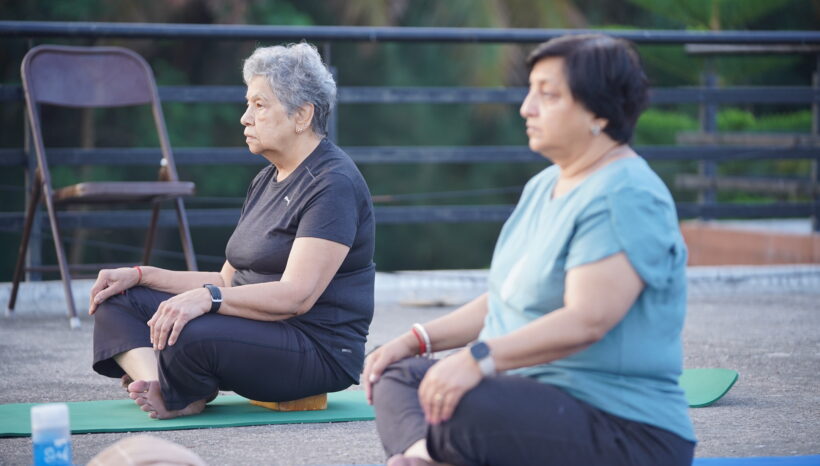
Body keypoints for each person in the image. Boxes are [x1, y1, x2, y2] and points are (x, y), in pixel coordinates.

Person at [364, 34, 696, 466]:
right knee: (396, 374)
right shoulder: (544, 185)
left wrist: (479, 359)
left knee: (462, 406)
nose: (527, 108)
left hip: (621, 428)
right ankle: (425, 457)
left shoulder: (626, 194)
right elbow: (507, 297)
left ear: (598, 111)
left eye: (548, 95)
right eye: (530, 91)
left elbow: (587, 320)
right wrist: (415, 340)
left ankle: (423, 455)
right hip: (529, 397)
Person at [89, 42, 375, 420]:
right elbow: (227, 279)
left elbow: (296, 297)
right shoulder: (265, 180)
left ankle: (180, 388)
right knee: (119, 301)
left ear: (302, 115)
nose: (245, 117)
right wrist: (142, 276)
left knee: (191, 331)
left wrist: (207, 299)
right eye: (248, 104)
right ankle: (168, 385)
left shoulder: (332, 183)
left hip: (314, 346)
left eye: (259, 105)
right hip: (253, 328)